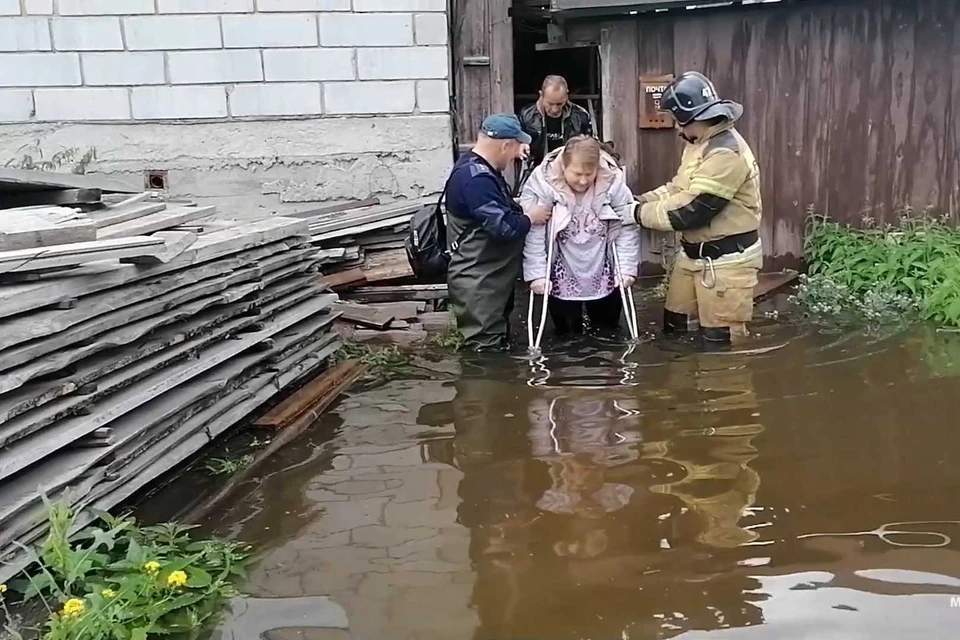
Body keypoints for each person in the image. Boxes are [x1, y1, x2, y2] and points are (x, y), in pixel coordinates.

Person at [629, 71, 762, 346]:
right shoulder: (699, 143)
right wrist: (638, 200)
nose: (677, 129)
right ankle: (683, 387)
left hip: (725, 262)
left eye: (678, 122)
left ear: (693, 118)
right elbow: (679, 188)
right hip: (692, 257)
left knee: (720, 346)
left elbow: (692, 210)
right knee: (676, 331)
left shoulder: (725, 153)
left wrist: (635, 215)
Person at [446, 113, 552, 351]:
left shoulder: (474, 168)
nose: (516, 154)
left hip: (489, 280)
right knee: (483, 354)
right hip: (479, 283)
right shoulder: (476, 180)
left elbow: (495, 212)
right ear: (506, 145)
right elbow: (503, 228)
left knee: (495, 346)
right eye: (516, 147)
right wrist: (530, 217)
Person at [522, 135, 640, 337]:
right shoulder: (544, 182)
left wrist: (627, 269)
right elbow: (534, 232)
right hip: (562, 268)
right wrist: (537, 275)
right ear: (563, 166)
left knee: (607, 333)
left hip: (602, 265)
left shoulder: (612, 180)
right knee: (567, 335)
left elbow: (627, 225)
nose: (584, 180)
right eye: (577, 174)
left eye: (589, 174)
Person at [520, 75, 594, 167]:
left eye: (560, 104)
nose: (555, 109)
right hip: (536, 170)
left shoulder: (581, 116)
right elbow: (517, 144)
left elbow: (589, 147)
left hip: (570, 169)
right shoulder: (527, 115)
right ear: (541, 95)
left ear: (566, 95)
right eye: (550, 104)